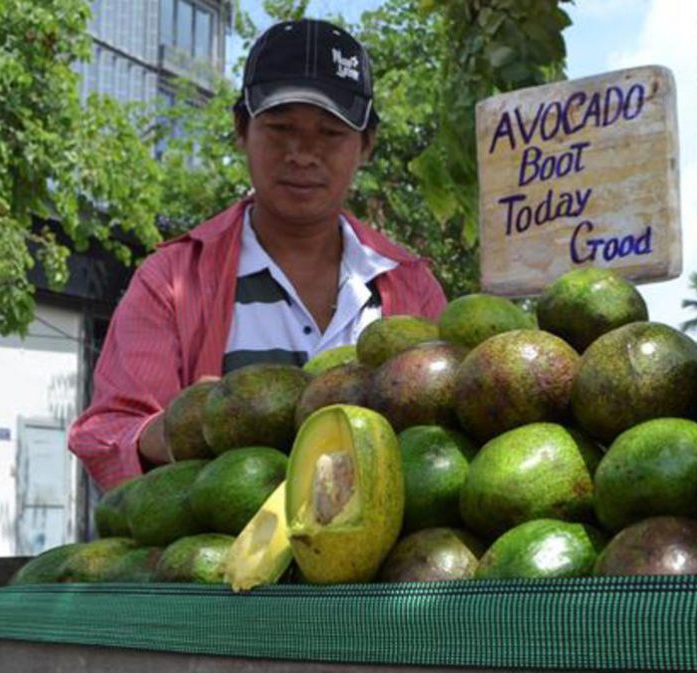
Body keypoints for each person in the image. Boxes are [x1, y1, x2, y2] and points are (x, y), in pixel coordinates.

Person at [69, 19, 447, 491]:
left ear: (365, 145)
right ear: (241, 131)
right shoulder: (172, 279)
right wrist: (192, 428)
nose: (303, 153)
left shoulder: (410, 285)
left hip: (384, 563)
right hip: (217, 562)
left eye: (330, 133)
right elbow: (108, 433)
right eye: (280, 127)